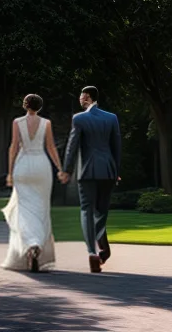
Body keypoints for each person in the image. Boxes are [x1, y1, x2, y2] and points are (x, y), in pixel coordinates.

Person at [61, 85, 121, 273]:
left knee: (87, 210)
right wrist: (116, 170)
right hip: (108, 171)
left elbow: (72, 146)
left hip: (87, 171)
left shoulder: (79, 118)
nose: (79, 98)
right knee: (101, 212)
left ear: (86, 97)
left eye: (80, 95)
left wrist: (66, 169)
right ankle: (104, 250)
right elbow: (117, 147)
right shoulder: (111, 118)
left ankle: (92, 252)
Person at [0, 93, 63, 272]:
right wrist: (59, 168)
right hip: (41, 166)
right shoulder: (46, 123)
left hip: (23, 165)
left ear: (25, 106)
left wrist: (10, 173)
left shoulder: (17, 122)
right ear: (40, 107)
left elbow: (13, 146)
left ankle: (30, 243)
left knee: (24, 209)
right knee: (41, 209)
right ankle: (37, 245)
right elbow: (50, 147)